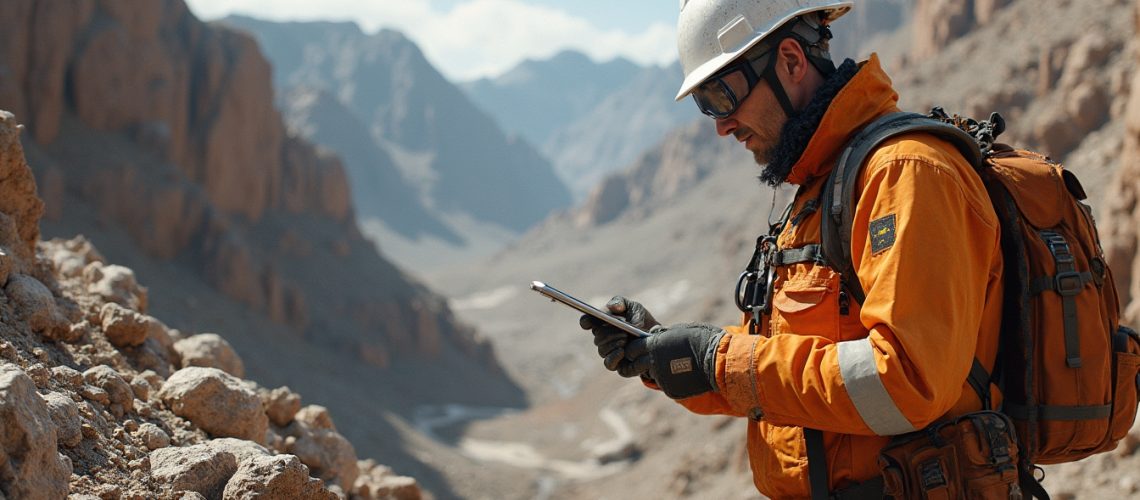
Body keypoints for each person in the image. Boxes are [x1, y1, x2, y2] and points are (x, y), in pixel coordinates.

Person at [580, 1, 1006, 498]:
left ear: (790, 61)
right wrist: (665, 354)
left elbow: (906, 383)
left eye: (723, 93)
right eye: (705, 101)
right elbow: (798, 358)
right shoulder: (824, 183)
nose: (720, 124)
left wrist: (720, 360)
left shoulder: (903, 174)